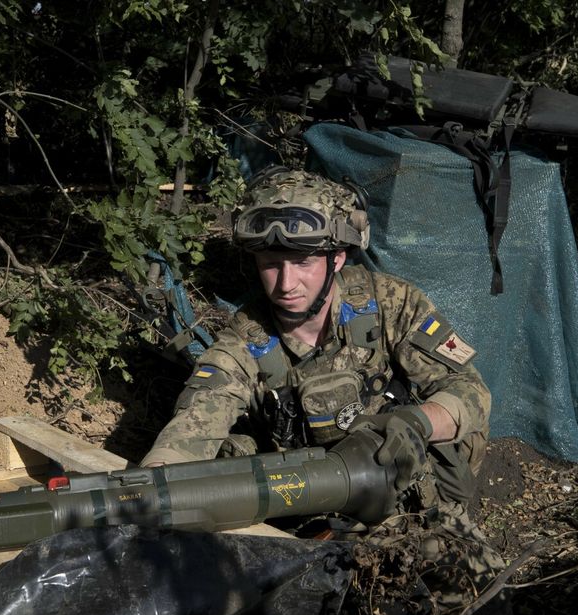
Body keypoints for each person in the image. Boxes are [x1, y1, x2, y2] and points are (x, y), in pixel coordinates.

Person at [141, 167, 491, 513]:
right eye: (271, 265)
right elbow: (196, 421)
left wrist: (419, 422)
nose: (286, 284)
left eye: (303, 263)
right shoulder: (245, 341)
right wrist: (152, 484)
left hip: (404, 496)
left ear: (336, 258)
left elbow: (470, 390)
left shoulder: (390, 303)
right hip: (310, 511)